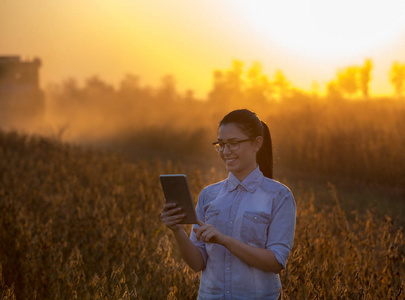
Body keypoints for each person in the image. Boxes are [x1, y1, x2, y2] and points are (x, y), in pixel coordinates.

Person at [161, 109, 296, 299]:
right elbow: (197, 263)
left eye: (233, 144)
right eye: (221, 144)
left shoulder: (279, 196)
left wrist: (224, 240)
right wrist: (176, 230)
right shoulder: (208, 195)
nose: (225, 151)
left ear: (257, 143)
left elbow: (276, 262)